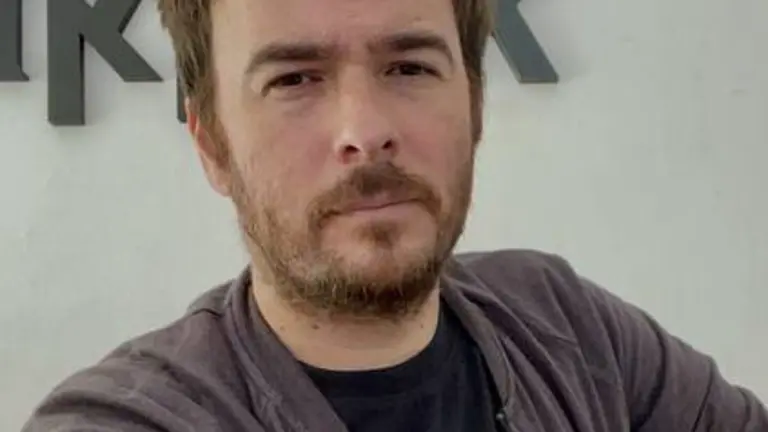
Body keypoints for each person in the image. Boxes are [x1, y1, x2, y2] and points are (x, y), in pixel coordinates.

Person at [22, 0, 767, 430]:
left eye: (409, 67)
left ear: (475, 107)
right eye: (295, 79)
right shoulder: (135, 419)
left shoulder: (574, 334)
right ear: (211, 144)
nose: (365, 130)